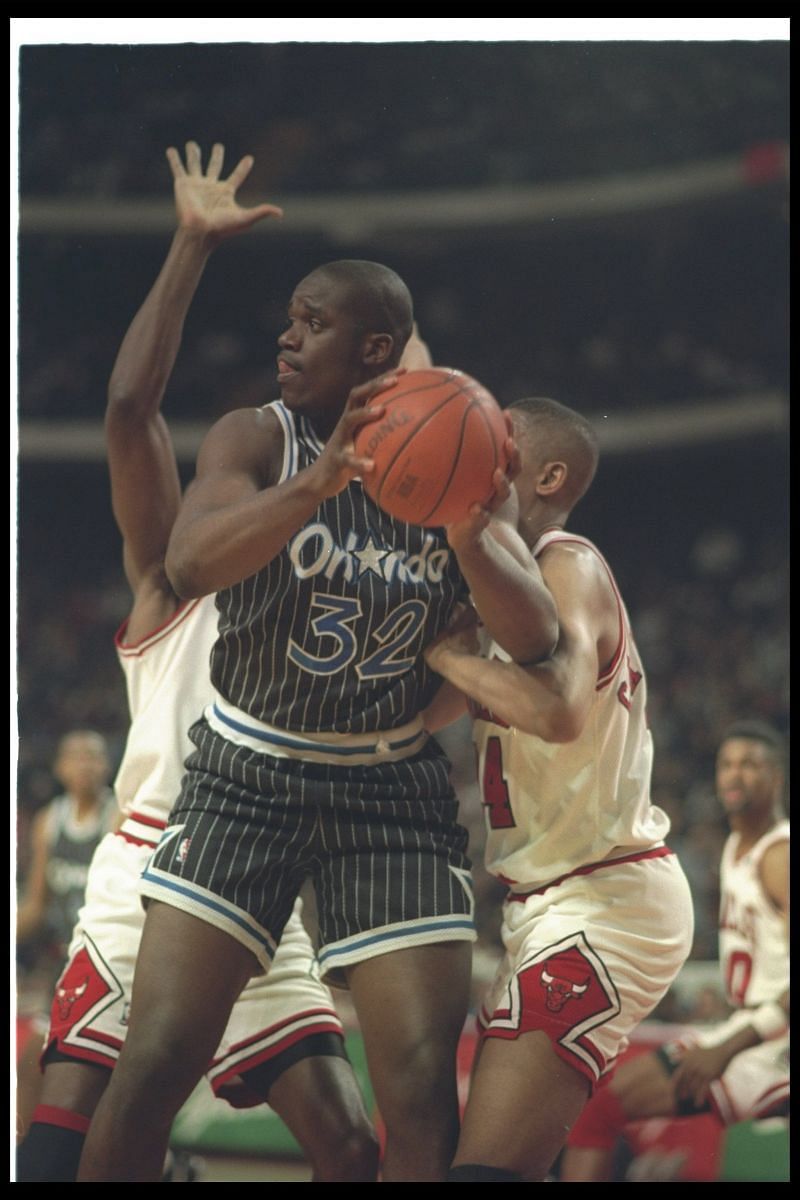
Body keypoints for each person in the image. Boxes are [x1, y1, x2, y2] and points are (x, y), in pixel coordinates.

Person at [78, 140, 504, 1184]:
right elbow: (187, 554)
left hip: (385, 789)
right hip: (239, 780)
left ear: (376, 352)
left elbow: (489, 659)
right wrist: (314, 488)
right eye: (292, 317)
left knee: (410, 1096)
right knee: (158, 1061)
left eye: (312, 323)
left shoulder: (446, 464)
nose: (285, 335)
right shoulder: (256, 439)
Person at [17, 142, 379, 1183]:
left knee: (352, 1150)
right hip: (153, 868)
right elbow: (130, 413)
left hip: (265, 882)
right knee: (61, 1153)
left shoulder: (331, 598)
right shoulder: (176, 577)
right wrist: (187, 246)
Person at [423, 396, 694, 1182]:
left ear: (545, 474)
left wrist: (448, 658)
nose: (474, 449)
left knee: (484, 1174)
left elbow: (561, 709)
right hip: (551, 900)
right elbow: (418, 714)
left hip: (604, 898)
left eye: (495, 444)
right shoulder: (506, 591)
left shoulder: (566, 561)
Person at [560, 719, 789, 1182]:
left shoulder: (778, 854)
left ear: (776, 777)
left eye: (750, 764)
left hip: (770, 1038)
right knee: (597, 1110)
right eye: (727, 764)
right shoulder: (735, 845)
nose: (734, 775)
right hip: (752, 1029)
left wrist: (729, 1046)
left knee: (599, 1113)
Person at [16, 731, 117, 1140]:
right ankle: (23, 1151)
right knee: (32, 1059)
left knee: (110, 1076)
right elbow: (36, 905)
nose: (85, 765)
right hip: (66, 961)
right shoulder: (50, 821)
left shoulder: (118, 815)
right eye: (75, 756)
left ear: (107, 766)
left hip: (107, 957)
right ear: (59, 768)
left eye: (93, 756)